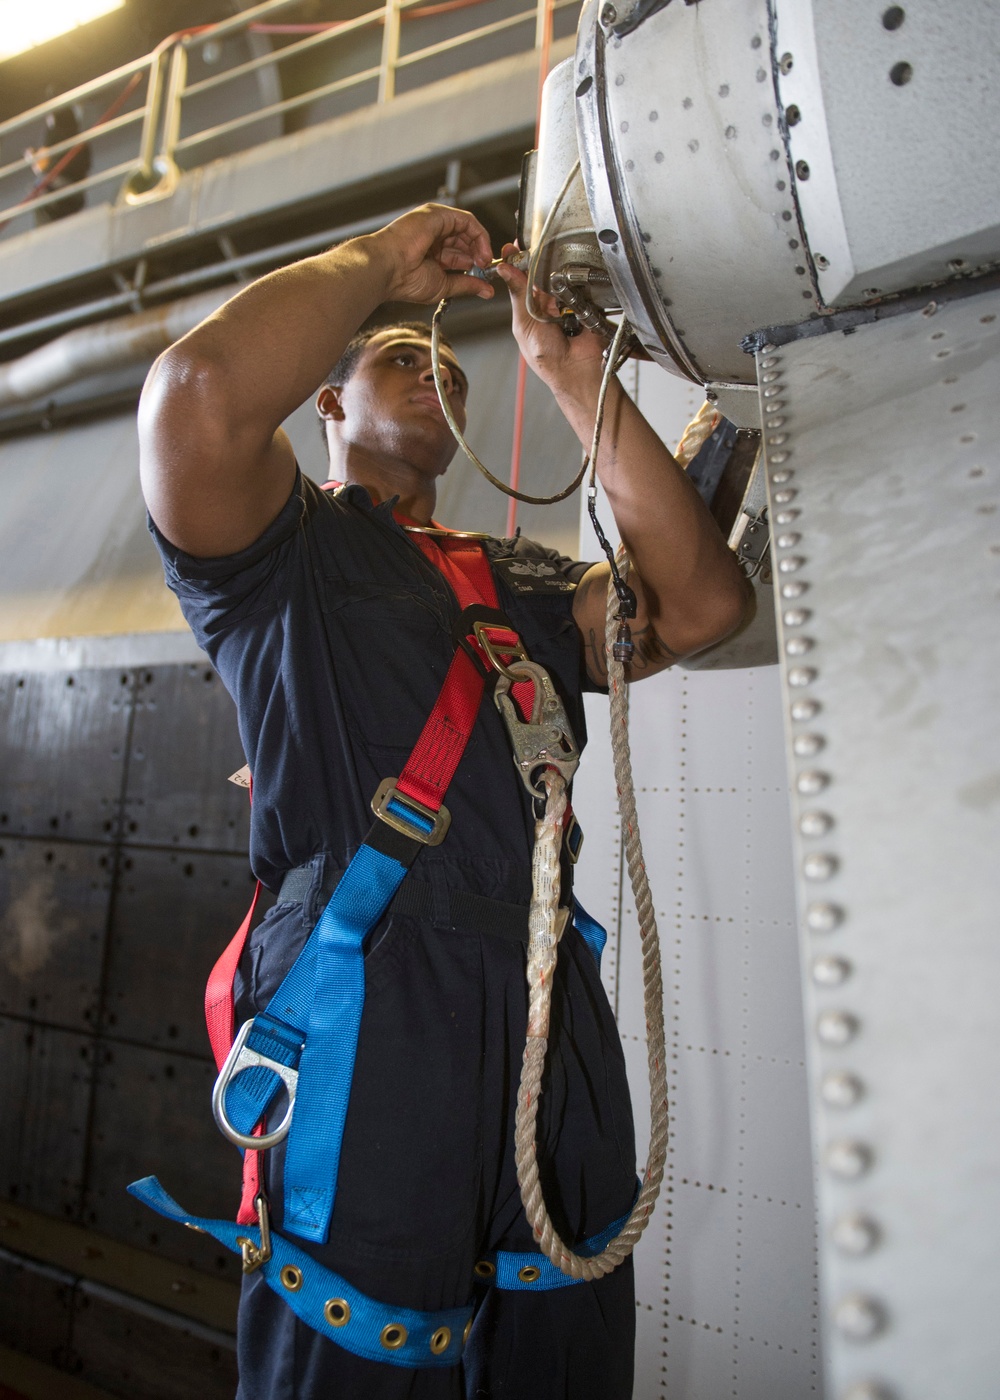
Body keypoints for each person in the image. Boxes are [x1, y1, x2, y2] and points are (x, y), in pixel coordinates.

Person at [138, 203, 747, 1398]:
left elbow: (698, 606)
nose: (439, 383)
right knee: (360, 1355)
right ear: (325, 400)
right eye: (400, 362)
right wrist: (377, 261)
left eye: (455, 377)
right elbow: (199, 391)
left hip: (543, 991)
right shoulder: (275, 557)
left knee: (564, 1339)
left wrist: (579, 383)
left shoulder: (510, 578)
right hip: (366, 988)